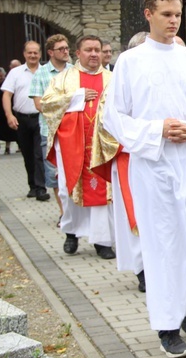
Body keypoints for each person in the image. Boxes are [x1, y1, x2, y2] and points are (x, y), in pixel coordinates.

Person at [103, 0, 186, 358]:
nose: (174, 21)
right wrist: (156, 129)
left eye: (178, 15)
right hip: (153, 166)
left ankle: (185, 302)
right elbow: (114, 117)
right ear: (148, 14)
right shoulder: (130, 61)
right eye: (167, 14)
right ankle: (168, 327)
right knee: (165, 247)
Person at [41, 35, 115, 260]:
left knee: (104, 192)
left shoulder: (113, 78)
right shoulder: (64, 79)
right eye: (88, 50)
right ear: (78, 53)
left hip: (103, 146)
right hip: (73, 146)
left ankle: (102, 241)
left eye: (97, 50)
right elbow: (47, 104)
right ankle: (71, 232)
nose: (94, 54)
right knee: (68, 189)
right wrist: (77, 96)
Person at [92, 30, 147, 292]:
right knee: (135, 215)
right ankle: (142, 268)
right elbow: (107, 123)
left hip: (167, 157)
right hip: (130, 157)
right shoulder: (116, 84)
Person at [31, 34, 72, 221]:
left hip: (74, 130)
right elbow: (39, 105)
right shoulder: (41, 74)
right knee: (55, 175)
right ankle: (64, 214)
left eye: (67, 48)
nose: (65, 51)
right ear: (50, 52)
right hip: (50, 132)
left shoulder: (74, 71)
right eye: (61, 49)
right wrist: (68, 103)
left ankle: (76, 213)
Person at [2, 42, 50, 201]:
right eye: (30, 53)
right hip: (22, 118)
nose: (33, 56)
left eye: (35, 53)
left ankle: (41, 188)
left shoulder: (45, 72)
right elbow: (7, 95)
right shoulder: (15, 73)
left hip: (40, 119)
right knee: (27, 154)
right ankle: (32, 186)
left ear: (40, 54)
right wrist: (9, 115)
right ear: (24, 54)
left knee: (39, 154)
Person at [0, 67, 18, 154]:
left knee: (7, 129)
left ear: (4, 75)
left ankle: (7, 147)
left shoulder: (7, 84)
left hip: (6, 109)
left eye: (1, 76)